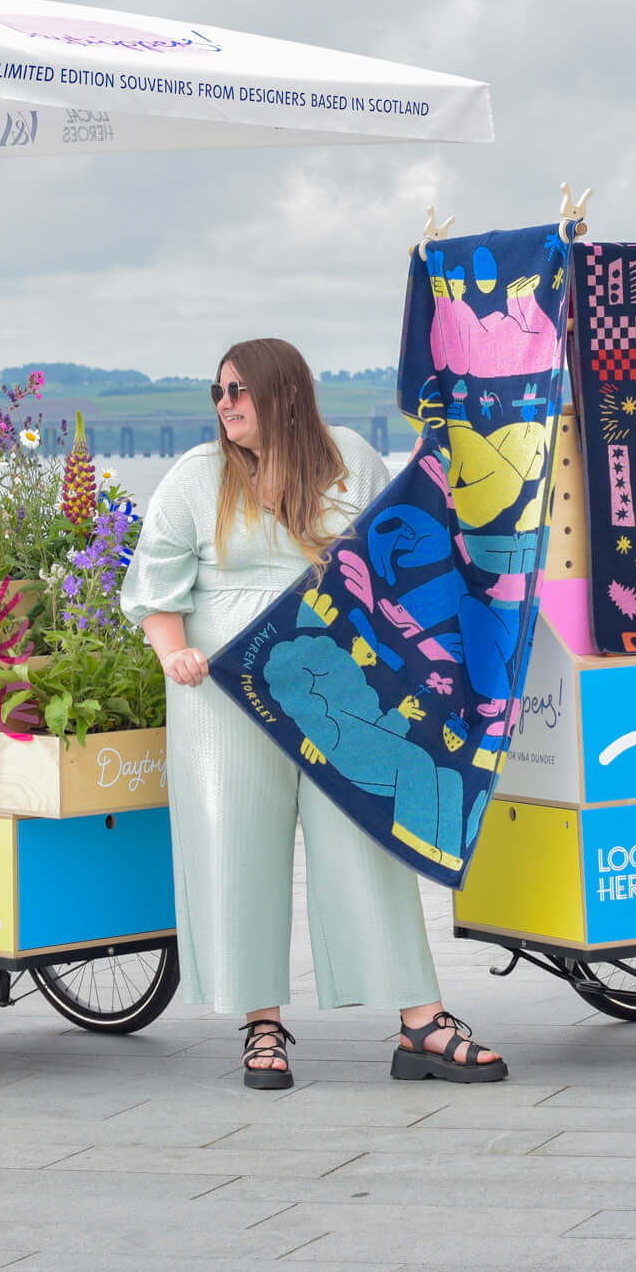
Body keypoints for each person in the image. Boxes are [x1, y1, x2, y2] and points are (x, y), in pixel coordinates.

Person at [120, 338, 508, 1089]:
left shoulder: (351, 461)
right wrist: (173, 654)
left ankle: (419, 1021)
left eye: (240, 389)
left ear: (286, 395)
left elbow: (399, 557)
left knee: (369, 840)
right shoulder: (197, 478)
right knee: (237, 850)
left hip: (341, 687)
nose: (226, 403)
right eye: (219, 390)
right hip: (225, 695)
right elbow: (156, 593)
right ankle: (260, 1024)